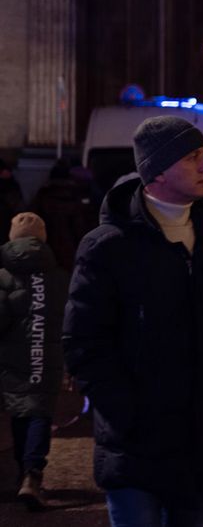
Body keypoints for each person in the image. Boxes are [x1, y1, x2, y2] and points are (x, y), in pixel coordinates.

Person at [63, 116, 203, 526]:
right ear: (157, 169)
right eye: (194, 157)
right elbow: (83, 344)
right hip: (136, 452)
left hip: (202, 451)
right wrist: (129, 415)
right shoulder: (109, 246)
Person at [0, 213, 67, 509]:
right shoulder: (59, 278)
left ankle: (21, 473)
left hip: (12, 357)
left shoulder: (4, 277)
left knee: (19, 411)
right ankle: (33, 473)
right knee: (40, 410)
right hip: (47, 354)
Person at [29, 160, 97, 271]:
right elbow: (83, 228)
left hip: (46, 253)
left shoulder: (42, 197)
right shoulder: (77, 196)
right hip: (72, 255)